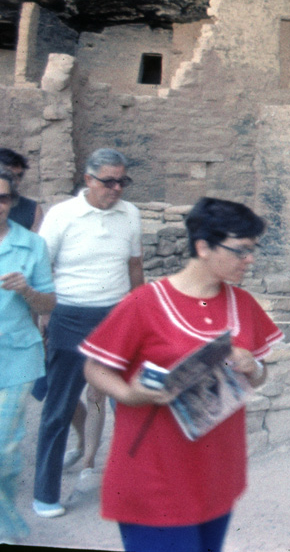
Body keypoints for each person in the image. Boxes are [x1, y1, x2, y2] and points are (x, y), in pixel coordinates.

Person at [81, 197, 282, 552]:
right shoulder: (144, 304)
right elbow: (95, 368)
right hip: (155, 475)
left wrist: (255, 367)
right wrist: (129, 394)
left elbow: (258, 376)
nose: (249, 259)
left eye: (253, 250)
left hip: (215, 472)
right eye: (241, 250)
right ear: (203, 246)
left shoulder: (243, 304)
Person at [31, 147, 143, 517]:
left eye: (122, 181)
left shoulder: (130, 215)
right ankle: (46, 495)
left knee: (127, 402)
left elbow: (134, 268)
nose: (116, 189)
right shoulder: (63, 216)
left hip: (116, 317)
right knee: (60, 406)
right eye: (108, 181)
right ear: (88, 179)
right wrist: (44, 316)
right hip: (70, 315)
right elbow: (41, 268)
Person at [0, 168, 55, 544]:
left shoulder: (31, 245)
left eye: (3, 198)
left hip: (16, 354)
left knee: (4, 446)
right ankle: (9, 528)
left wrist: (27, 290)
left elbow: (48, 301)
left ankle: (10, 530)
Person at [0, 148, 43, 231]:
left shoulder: (32, 210)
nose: (16, 182)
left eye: (19, 176)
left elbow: (35, 242)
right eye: (9, 175)